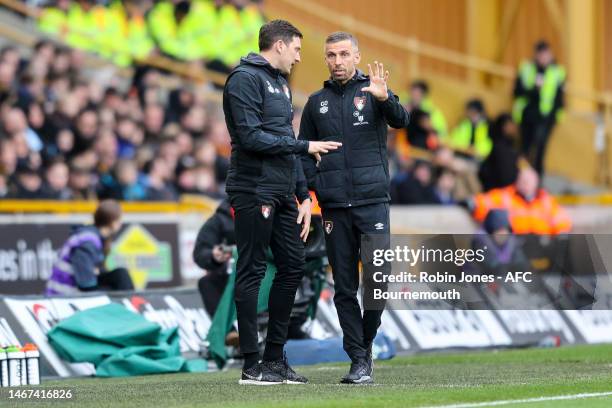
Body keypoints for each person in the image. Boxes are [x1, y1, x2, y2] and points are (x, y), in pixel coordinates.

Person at [223, 20, 341, 385]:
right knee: (252, 270)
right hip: (253, 189)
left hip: (282, 192)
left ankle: (275, 358)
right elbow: (250, 137)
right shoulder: (244, 79)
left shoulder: (280, 84)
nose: (299, 56)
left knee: (293, 266)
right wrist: (304, 146)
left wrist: (304, 195)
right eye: (297, 49)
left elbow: (284, 141)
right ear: (278, 45)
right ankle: (250, 363)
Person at [299, 32, 409, 384]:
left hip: (372, 202)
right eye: (331, 55)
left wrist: (386, 97)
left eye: (344, 54)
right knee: (344, 287)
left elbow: (401, 119)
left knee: (377, 282)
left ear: (357, 56)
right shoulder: (316, 103)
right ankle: (359, 359)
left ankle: (365, 341)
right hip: (335, 209)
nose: (337, 61)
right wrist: (316, 188)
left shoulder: (373, 93)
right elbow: (303, 153)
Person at [46, 199, 134, 295]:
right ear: (112, 221)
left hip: (73, 290)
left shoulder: (94, 237)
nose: (121, 223)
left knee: (120, 275)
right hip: (63, 296)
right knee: (120, 278)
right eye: (119, 220)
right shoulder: (87, 243)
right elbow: (86, 284)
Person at [513, 40, 565, 175]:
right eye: (540, 55)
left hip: (545, 119)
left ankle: (537, 182)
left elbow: (559, 99)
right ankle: (521, 178)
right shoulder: (527, 69)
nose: (543, 58)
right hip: (527, 116)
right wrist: (534, 89)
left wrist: (553, 118)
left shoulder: (557, 72)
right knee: (524, 149)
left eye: (546, 55)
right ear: (536, 55)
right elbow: (517, 92)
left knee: (539, 150)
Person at [472, 166, 572, 235]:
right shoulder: (506, 196)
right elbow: (482, 203)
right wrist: (471, 204)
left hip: (541, 242)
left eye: (529, 181)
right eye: (523, 180)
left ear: (536, 183)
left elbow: (561, 219)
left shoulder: (545, 200)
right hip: (515, 241)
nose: (526, 184)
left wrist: (561, 233)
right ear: (517, 181)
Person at [193, 199, 235, 318]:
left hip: (265, 275)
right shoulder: (219, 220)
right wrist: (213, 256)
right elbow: (200, 253)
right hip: (232, 276)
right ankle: (229, 333)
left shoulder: (267, 213)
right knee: (206, 283)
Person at [478, 113, 521, 191]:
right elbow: (507, 179)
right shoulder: (501, 149)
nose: (515, 127)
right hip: (497, 193)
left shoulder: (506, 146)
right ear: (504, 127)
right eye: (511, 124)